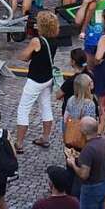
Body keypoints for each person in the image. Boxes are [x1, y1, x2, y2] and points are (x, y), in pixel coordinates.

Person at [15, 10, 60, 151]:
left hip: (35, 80)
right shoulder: (54, 40)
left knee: (23, 110)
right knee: (46, 107)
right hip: (47, 79)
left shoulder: (36, 41)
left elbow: (23, 56)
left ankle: (19, 144)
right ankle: (45, 138)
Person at [67, 116, 105, 209]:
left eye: (80, 126)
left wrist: (73, 163)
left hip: (91, 188)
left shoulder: (88, 149)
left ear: (84, 131)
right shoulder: (104, 140)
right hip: (103, 183)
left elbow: (84, 175)